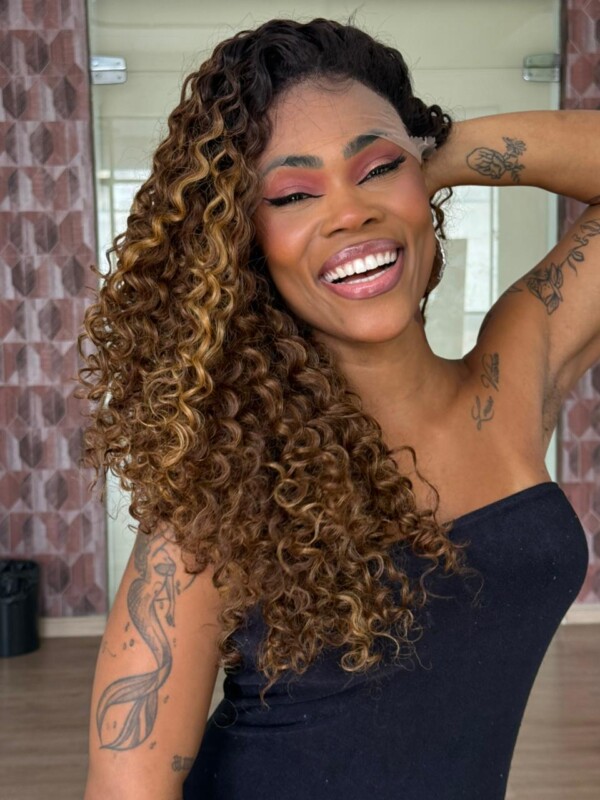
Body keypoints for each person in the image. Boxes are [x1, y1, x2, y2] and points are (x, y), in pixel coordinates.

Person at [80, 17, 598, 800]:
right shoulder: (220, 496)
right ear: (243, 243)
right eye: (293, 193)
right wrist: (386, 164)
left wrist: (429, 152)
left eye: (377, 170)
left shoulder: (510, 382)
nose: (349, 213)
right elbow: (128, 789)